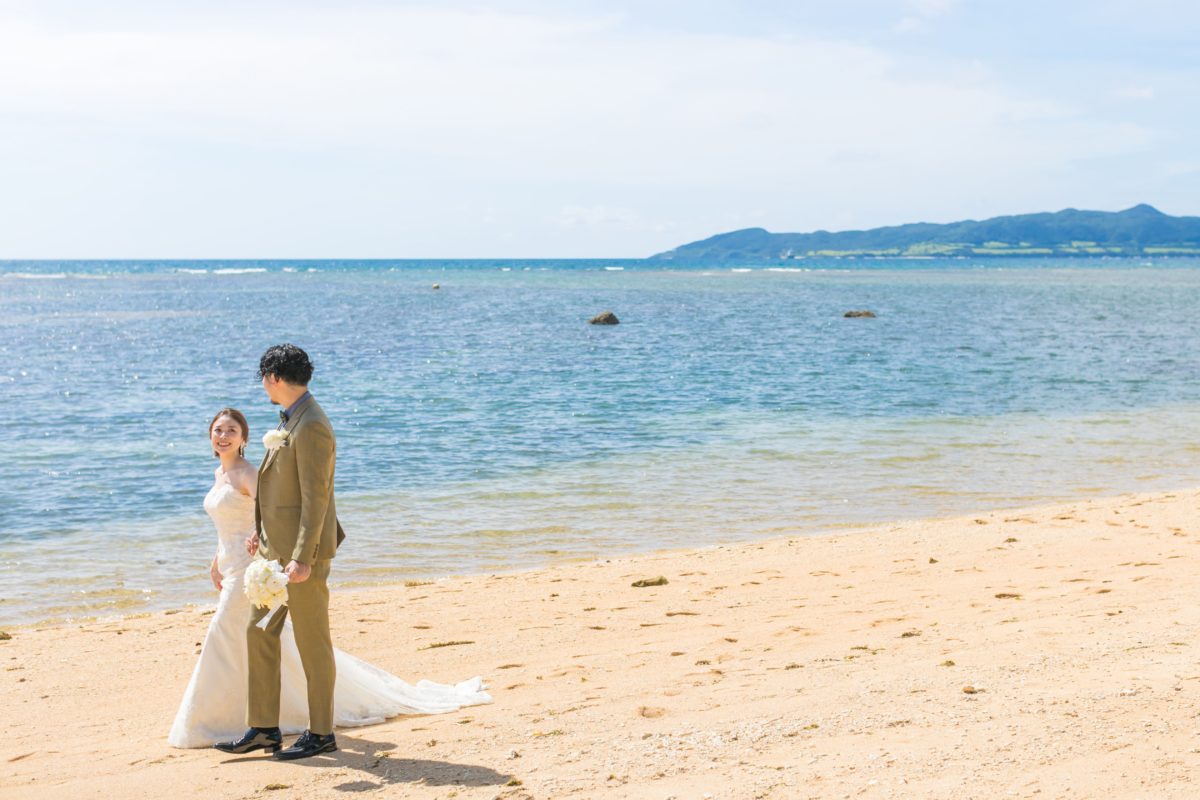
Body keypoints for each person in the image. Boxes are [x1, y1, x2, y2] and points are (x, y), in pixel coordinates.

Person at [170, 362, 489, 753]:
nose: (264, 386)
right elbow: (275, 497)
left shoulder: (312, 424)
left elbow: (316, 498)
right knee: (258, 631)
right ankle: (264, 727)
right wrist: (261, 537)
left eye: (264, 380)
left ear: (275, 379)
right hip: (274, 559)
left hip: (303, 560)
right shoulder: (289, 420)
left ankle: (321, 733)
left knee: (311, 643)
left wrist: (303, 557)